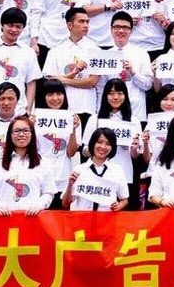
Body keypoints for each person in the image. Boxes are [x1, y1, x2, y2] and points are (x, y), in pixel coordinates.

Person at [82, 78, 147, 211]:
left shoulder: (134, 121)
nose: (115, 97)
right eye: (111, 93)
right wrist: (97, 148)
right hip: (98, 176)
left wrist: (134, 148)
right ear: (105, 95)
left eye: (119, 93)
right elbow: (84, 151)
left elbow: (135, 156)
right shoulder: (94, 119)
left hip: (125, 174)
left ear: (125, 95)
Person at [0, 116, 56, 215]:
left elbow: (48, 192)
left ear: (32, 134)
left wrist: (39, 206)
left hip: (33, 219)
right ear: (10, 135)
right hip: (5, 219)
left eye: (26, 131)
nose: (21, 134)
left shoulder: (44, 163)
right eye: (17, 131)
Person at [43, 7, 100, 123]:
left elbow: (92, 81)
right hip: (61, 107)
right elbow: (50, 82)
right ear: (70, 25)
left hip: (86, 106)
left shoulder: (96, 50)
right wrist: (73, 73)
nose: (86, 25)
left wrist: (63, 80)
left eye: (87, 22)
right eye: (81, 21)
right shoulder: (55, 51)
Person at [32, 78, 81, 209]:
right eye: (50, 94)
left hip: (62, 177)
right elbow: (30, 150)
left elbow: (71, 153)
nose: (55, 98)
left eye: (59, 94)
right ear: (43, 97)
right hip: (40, 176)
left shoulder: (72, 118)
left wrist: (73, 130)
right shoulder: (35, 118)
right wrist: (30, 127)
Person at [61, 127, 130, 211]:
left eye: (108, 144)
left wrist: (119, 205)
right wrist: (70, 185)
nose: (103, 147)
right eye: (99, 142)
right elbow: (65, 203)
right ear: (92, 143)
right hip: (82, 218)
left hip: (106, 217)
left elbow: (124, 200)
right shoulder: (79, 169)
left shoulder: (117, 170)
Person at [105, 10, 155, 122]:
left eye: (125, 27)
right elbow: (101, 87)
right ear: (111, 29)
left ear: (131, 31)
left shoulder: (141, 53)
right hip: (110, 114)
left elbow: (148, 85)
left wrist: (133, 72)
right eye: (117, 27)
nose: (121, 30)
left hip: (136, 112)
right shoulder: (105, 55)